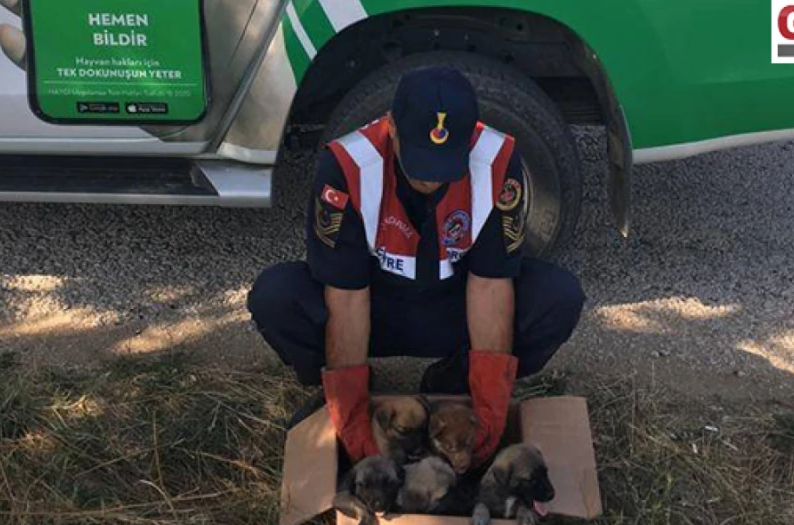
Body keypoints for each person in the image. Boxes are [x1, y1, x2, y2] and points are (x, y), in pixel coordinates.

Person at [247, 66, 585, 468]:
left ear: (470, 134)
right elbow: (347, 295)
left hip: (455, 307)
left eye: (445, 166)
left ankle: (453, 382)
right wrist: (353, 415)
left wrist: (490, 408)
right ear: (391, 128)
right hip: (375, 306)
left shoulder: (497, 161)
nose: (431, 180)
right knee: (276, 296)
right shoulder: (346, 166)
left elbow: (491, 285)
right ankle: (337, 391)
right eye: (421, 165)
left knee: (558, 297)